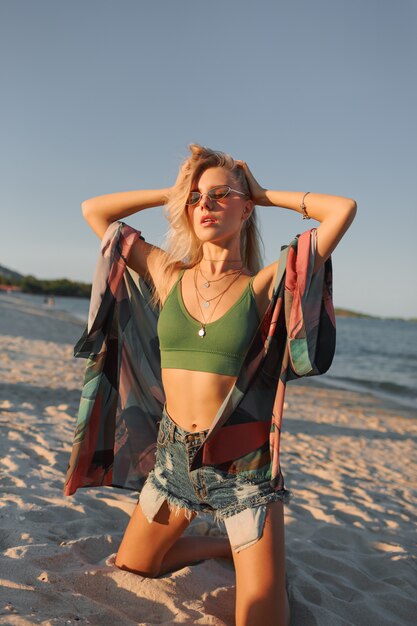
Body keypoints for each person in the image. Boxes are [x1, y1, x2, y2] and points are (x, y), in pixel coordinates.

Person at [77, 144, 356, 626]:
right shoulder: (167, 273)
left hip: (243, 470)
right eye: (197, 197)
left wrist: (264, 193)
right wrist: (174, 192)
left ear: (245, 209)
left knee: (262, 618)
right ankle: (224, 542)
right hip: (173, 459)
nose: (204, 204)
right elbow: (94, 210)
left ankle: (256, 554)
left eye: (222, 194)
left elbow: (341, 210)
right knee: (135, 566)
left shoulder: (262, 284)